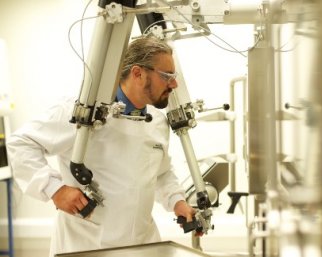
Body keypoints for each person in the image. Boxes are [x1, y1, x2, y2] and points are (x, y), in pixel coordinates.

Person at [6, 36, 196, 256]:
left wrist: (177, 201)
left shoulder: (157, 121)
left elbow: (161, 173)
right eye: (167, 76)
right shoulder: (82, 112)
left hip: (142, 244)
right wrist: (54, 189)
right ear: (137, 73)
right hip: (86, 245)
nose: (174, 84)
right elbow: (20, 143)